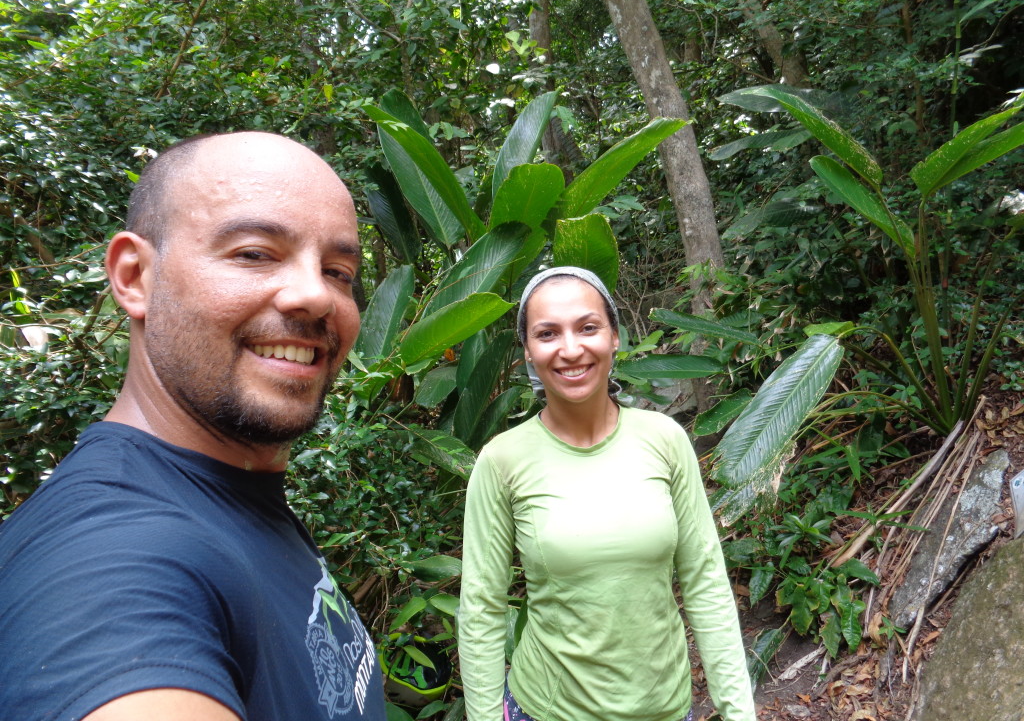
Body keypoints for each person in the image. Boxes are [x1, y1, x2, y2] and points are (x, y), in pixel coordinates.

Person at [0, 132, 387, 721]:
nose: (316, 295)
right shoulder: (108, 558)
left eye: (337, 271)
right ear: (135, 276)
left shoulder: (230, 489)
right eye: (255, 253)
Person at [458, 267, 756, 721]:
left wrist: (738, 711)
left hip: (666, 708)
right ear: (528, 352)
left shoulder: (665, 439)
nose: (571, 349)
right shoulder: (502, 461)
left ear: (614, 337)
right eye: (547, 333)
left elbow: (706, 581)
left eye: (588, 327)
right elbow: (481, 607)